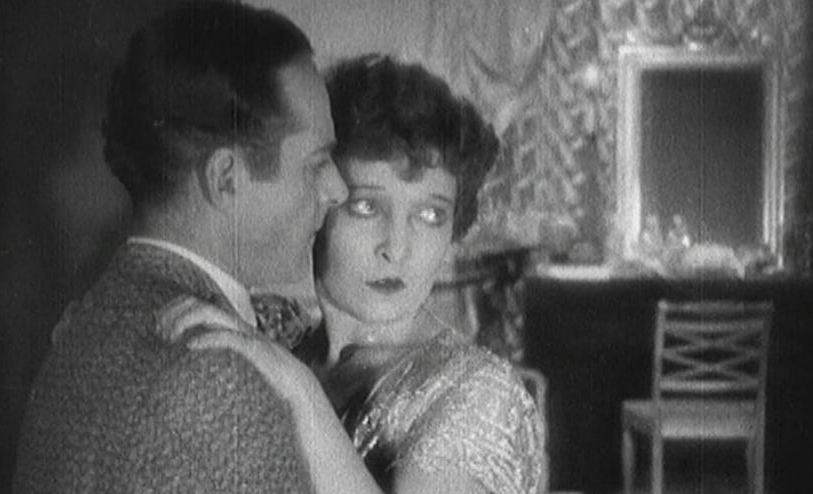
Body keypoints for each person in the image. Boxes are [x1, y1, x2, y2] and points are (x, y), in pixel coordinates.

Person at [13, 3, 378, 493]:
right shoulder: (223, 373)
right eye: (316, 164)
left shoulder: (81, 330)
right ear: (226, 178)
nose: (337, 189)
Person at [164, 55, 544, 494]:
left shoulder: (477, 393)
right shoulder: (276, 339)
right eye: (366, 207)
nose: (396, 248)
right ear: (316, 207)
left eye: (430, 215)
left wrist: (302, 394)